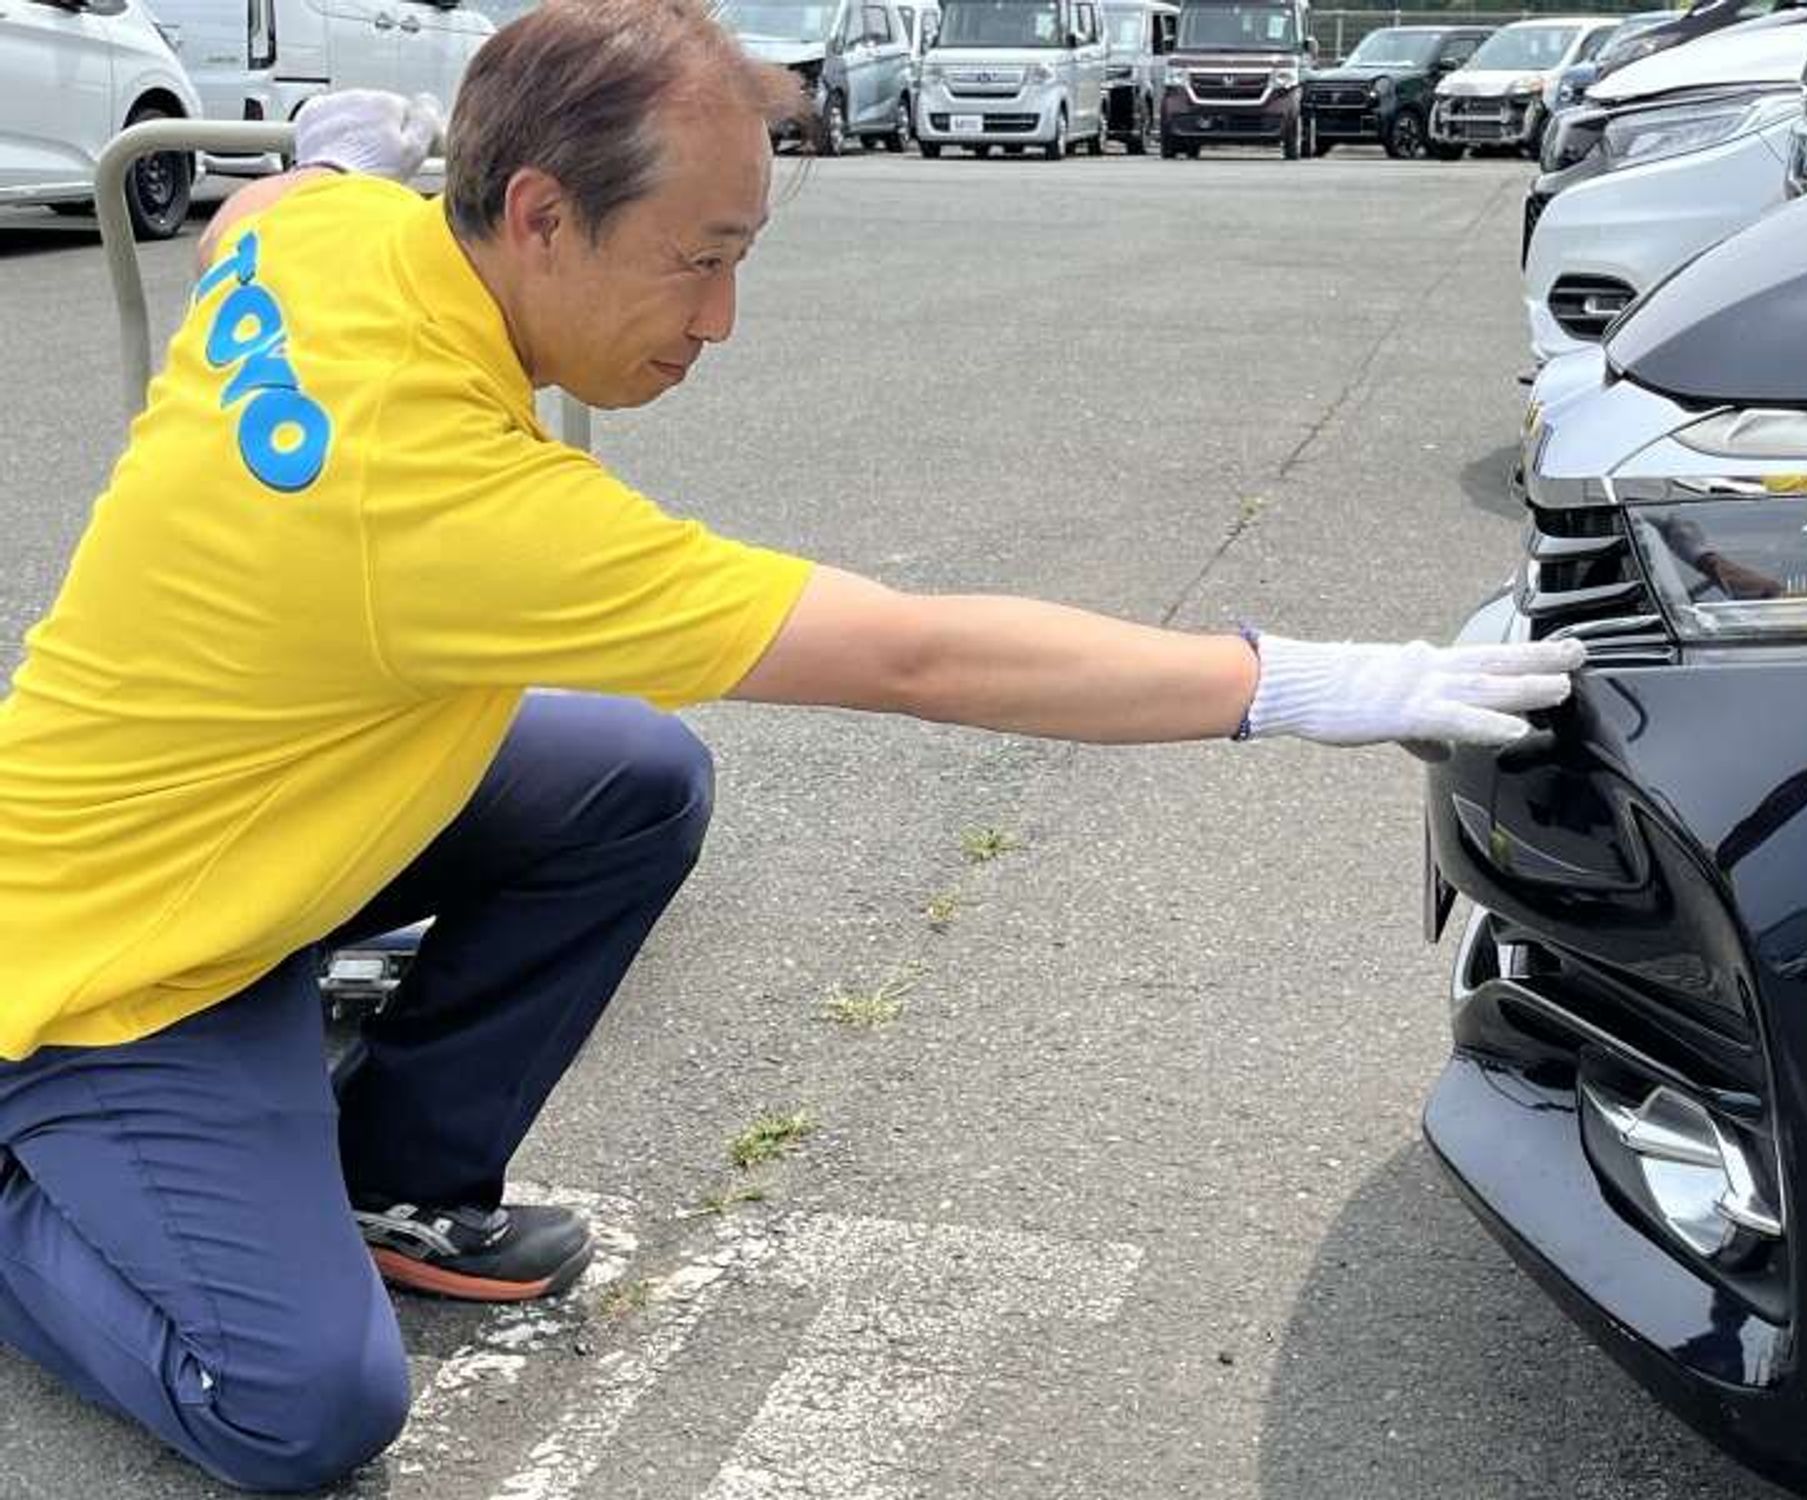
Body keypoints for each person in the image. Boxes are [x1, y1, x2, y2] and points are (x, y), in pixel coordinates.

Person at [0, 0, 1582, 1489]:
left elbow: (259, 212)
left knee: (629, 782)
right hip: (120, 963)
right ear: (538, 212)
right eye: (698, 260)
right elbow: (914, 654)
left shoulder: (339, 240)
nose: (722, 319)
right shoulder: (435, 496)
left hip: (236, 809)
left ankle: (390, 1173)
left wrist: (339, 150)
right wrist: (1306, 681)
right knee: (301, 1403)